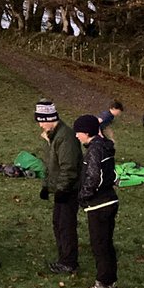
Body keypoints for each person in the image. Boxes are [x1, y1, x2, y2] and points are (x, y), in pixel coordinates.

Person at [72, 114, 120, 288]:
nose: (76, 136)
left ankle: (103, 285)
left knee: (100, 245)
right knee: (106, 243)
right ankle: (109, 279)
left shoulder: (94, 150)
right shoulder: (103, 146)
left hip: (100, 205)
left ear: (86, 132)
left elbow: (93, 178)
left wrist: (82, 197)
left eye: (78, 132)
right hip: (109, 202)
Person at [35, 99, 82, 275]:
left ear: (50, 118)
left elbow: (68, 167)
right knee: (58, 223)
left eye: (41, 120)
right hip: (60, 189)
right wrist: (46, 186)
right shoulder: (52, 137)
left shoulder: (65, 137)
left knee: (65, 225)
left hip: (69, 190)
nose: (40, 125)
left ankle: (69, 262)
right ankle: (64, 258)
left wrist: (62, 190)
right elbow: (50, 165)